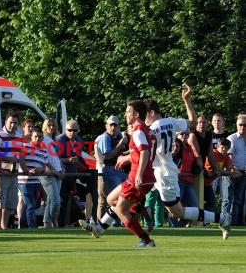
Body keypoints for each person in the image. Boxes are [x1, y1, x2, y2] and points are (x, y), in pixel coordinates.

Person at [83, 85, 230, 239]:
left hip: (162, 173)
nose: (143, 119)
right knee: (115, 198)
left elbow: (146, 151)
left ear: (152, 112)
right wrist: (187, 101)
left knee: (177, 211)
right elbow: (193, 122)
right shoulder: (171, 121)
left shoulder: (151, 129)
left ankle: (221, 219)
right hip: (154, 172)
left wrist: (126, 158)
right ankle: (101, 228)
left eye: (145, 115)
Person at [80, 100, 157, 248]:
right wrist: (127, 158)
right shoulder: (145, 130)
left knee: (121, 209)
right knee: (110, 199)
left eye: (128, 112)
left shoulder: (138, 130)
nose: (126, 114)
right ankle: (138, 211)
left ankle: (146, 240)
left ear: (136, 114)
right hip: (138, 176)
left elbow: (145, 153)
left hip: (138, 176)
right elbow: (142, 152)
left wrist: (139, 173)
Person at [0, 112, 24, 229]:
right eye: (11, 122)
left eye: (15, 122)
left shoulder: (20, 136)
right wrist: (10, 158)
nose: (13, 125)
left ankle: (4, 226)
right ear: (5, 122)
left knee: (10, 203)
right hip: (0, 172)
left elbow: (21, 154)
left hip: (13, 173)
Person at [95, 115, 128, 224]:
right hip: (107, 169)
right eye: (111, 125)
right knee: (108, 199)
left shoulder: (120, 135)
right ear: (106, 126)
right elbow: (107, 157)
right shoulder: (105, 137)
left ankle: (118, 222)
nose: (113, 127)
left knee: (123, 196)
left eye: (115, 125)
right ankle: (112, 223)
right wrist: (121, 143)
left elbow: (121, 152)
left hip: (119, 169)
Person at [18, 128, 50, 229]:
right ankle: (32, 227)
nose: (37, 138)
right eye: (35, 136)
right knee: (30, 205)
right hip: (25, 181)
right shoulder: (25, 146)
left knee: (30, 205)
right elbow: (21, 160)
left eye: (40, 137)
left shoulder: (44, 150)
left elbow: (44, 167)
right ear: (31, 137)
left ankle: (23, 226)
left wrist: (39, 170)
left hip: (36, 181)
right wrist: (27, 170)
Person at [55, 120, 85, 226]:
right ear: (65, 129)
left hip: (72, 175)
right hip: (60, 176)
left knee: (67, 201)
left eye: (75, 130)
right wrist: (67, 160)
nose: (72, 132)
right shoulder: (59, 140)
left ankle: (64, 224)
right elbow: (54, 160)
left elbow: (79, 156)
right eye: (69, 130)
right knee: (61, 201)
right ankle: (57, 224)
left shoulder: (79, 140)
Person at [41, 118, 64, 228]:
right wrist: (54, 171)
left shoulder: (54, 140)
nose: (51, 127)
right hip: (48, 173)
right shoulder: (43, 139)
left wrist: (62, 169)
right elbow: (43, 158)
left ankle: (47, 222)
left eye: (53, 125)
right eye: (49, 125)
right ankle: (54, 221)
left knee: (51, 200)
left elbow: (57, 158)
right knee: (55, 200)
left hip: (58, 173)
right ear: (44, 126)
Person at [227, 114, 246, 226]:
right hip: (232, 172)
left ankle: (236, 223)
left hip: (244, 173)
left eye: (245, 125)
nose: (242, 127)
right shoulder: (232, 138)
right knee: (229, 200)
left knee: (239, 200)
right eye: (240, 124)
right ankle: (227, 222)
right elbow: (229, 157)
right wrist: (233, 170)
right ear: (236, 125)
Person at [211, 113, 232, 214]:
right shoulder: (209, 135)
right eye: (215, 120)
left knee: (225, 195)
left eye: (219, 120)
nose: (217, 123)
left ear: (223, 122)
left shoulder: (228, 136)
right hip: (212, 168)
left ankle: (225, 217)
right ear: (211, 122)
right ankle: (207, 217)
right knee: (211, 194)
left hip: (224, 168)